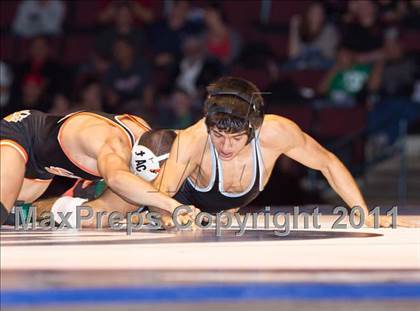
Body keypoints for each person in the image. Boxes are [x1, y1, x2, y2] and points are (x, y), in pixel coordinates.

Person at [50, 77, 415, 229]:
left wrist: (362, 213)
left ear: (254, 129)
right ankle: (54, 206)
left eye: (235, 138)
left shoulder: (277, 132)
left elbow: (328, 163)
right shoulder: (195, 138)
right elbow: (161, 201)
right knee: (119, 211)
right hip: (162, 156)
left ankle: (80, 193)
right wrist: (171, 215)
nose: (224, 146)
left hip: (209, 201)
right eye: (218, 136)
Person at [0, 110, 185, 226]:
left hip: (43, 168)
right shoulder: (114, 143)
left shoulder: (150, 138)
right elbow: (116, 179)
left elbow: (104, 209)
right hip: (21, 134)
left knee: (16, 216)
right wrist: (172, 205)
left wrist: (157, 213)